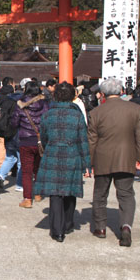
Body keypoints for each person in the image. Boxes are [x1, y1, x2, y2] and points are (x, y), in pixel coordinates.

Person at [88, 77, 140, 247]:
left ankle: (100, 228)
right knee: (126, 194)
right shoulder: (135, 109)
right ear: (121, 91)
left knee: (100, 194)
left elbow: (92, 140)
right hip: (126, 156)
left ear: (102, 93)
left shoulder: (96, 112)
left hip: (102, 157)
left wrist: (89, 162)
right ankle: (126, 226)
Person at [34, 82, 90, 242]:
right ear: (72, 96)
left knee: (55, 193)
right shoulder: (77, 115)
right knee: (70, 190)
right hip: (72, 153)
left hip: (52, 152)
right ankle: (68, 222)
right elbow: (83, 140)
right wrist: (87, 162)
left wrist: (48, 146)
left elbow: (43, 137)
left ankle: (57, 230)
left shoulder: (47, 114)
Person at [11, 81, 50, 208]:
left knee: (26, 171)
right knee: (38, 168)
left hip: (25, 140)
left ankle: (28, 198)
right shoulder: (45, 104)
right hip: (40, 140)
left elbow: (14, 123)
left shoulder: (20, 105)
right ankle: (38, 193)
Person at [0, 82, 22, 191]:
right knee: (20, 161)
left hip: (7, 133)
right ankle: (20, 185)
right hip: (19, 134)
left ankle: (1, 176)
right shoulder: (20, 103)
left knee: (9, 157)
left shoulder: (4, 101)